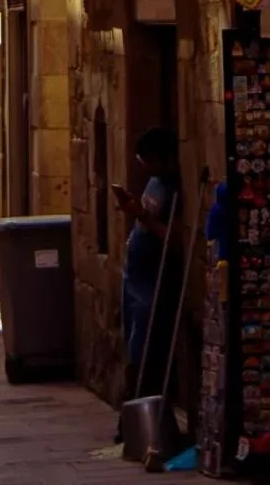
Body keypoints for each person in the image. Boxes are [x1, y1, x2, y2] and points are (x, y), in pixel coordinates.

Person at [114, 127, 182, 434]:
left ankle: (146, 422)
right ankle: (131, 419)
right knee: (133, 348)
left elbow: (175, 238)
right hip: (135, 279)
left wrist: (141, 216)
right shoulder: (154, 183)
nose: (142, 166)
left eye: (147, 160)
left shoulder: (175, 189)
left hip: (154, 284)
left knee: (146, 352)